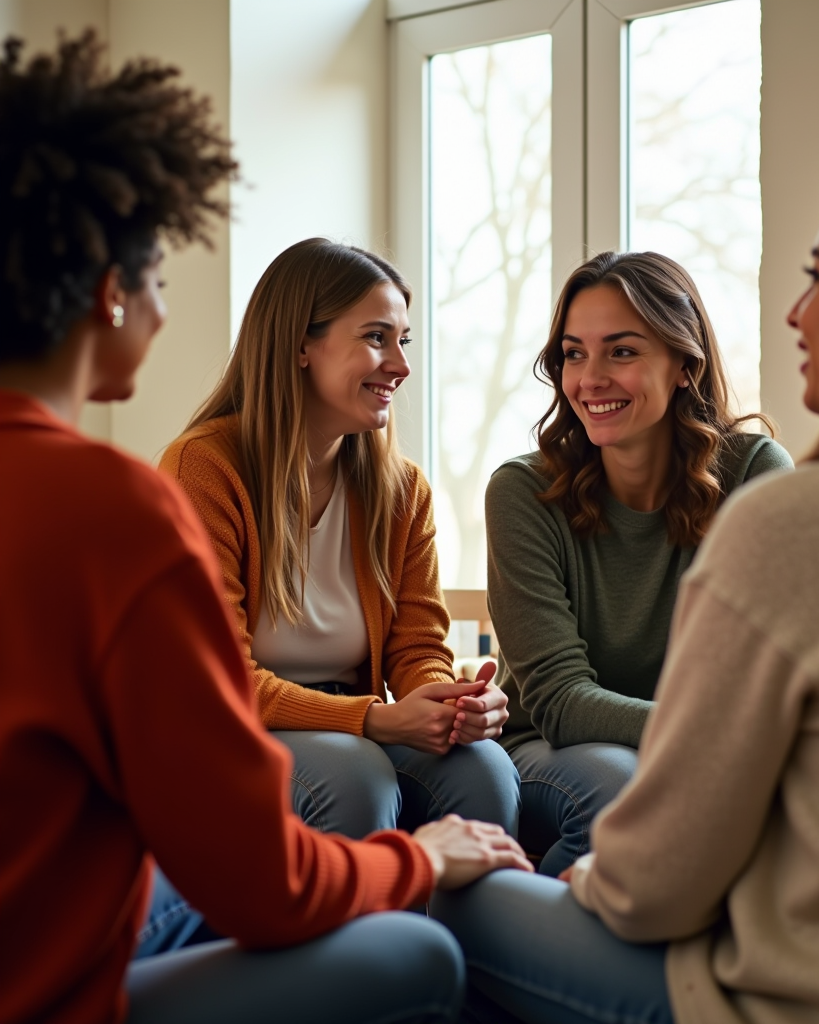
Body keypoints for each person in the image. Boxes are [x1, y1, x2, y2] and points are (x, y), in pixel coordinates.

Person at [0, 31, 530, 1024]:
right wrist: (415, 857)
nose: (163, 309)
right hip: (54, 992)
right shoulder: (127, 504)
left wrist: (432, 701)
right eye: (160, 275)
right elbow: (263, 883)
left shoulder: (394, 486)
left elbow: (413, 644)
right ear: (111, 293)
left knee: (470, 774)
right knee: (412, 950)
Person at [433, 152, 819, 1023]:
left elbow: (656, 891)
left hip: (793, 994)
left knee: (435, 907)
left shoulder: (795, 517)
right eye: (572, 355)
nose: (795, 311)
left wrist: (594, 876)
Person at [159, 239, 520, 844]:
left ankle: (456, 941)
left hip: (355, 723)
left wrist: (445, 700)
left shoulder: (402, 490)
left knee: (484, 771)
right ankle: (360, 940)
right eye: (376, 337)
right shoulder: (203, 468)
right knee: (352, 779)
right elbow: (218, 678)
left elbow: (415, 647)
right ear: (300, 344)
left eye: (403, 341)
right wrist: (374, 719)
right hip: (231, 730)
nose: (401, 366)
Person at [486, 251, 792, 874]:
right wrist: (715, 735)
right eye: (574, 353)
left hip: (700, 751)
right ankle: (530, 949)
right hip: (551, 748)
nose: (589, 378)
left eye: (621, 351)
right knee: (620, 785)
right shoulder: (522, 492)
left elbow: (767, 670)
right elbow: (562, 701)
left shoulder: (756, 474)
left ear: (684, 364)